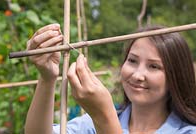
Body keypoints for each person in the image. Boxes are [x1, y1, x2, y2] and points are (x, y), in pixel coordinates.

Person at [25, 23, 196, 134]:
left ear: (176, 76)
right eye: (132, 60)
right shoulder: (90, 124)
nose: (137, 75)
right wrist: (47, 78)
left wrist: (104, 119)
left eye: (154, 66)